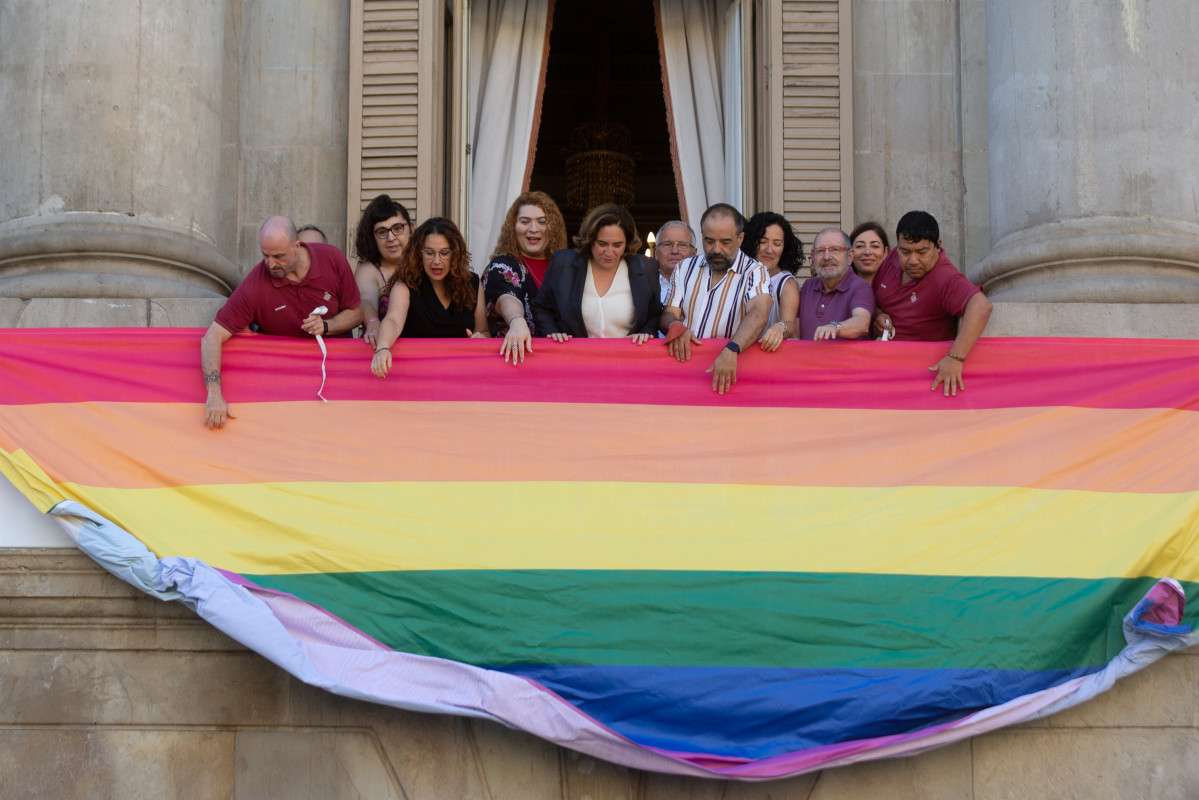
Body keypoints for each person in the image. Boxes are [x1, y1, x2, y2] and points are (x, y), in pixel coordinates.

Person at [200, 216, 362, 429]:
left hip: (337, 383)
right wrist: (214, 394)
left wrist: (326, 326)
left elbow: (356, 312)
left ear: (296, 246)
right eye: (265, 255)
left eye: (278, 256)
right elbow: (212, 336)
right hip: (286, 393)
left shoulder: (332, 258)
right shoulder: (256, 284)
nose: (271, 264)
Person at [872, 211, 993, 396]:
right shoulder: (894, 257)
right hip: (880, 370)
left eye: (922, 252)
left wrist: (955, 358)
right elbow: (874, 297)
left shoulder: (945, 278)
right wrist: (879, 314)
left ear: (938, 246)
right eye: (905, 252)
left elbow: (982, 306)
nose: (912, 260)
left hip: (919, 381)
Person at [659, 203, 771, 394]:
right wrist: (675, 327)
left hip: (730, 375)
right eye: (709, 241)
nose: (716, 249)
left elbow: (759, 313)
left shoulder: (755, 271)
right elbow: (669, 314)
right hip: (683, 374)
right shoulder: (684, 268)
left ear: (740, 238)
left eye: (725, 242)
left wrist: (732, 349)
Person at [371, 218, 487, 379]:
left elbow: (483, 331)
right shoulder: (405, 284)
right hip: (415, 378)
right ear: (418, 253)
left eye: (444, 253)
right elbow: (392, 320)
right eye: (430, 253)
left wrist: (480, 339)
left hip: (461, 378)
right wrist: (383, 347)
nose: (436, 261)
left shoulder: (473, 283)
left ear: (455, 254)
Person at [531, 204, 661, 344]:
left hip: (627, 360)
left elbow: (654, 314)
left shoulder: (647, 267)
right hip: (575, 358)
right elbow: (541, 308)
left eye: (617, 245)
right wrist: (553, 333)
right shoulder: (564, 263)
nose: (609, 252)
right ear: (590, 239)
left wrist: (646, 333)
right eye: (602, 243)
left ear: (627, 243)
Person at [480, 191, 568, 364]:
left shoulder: (566, 268)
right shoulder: (502, 265)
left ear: (553, 227)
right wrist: (517, 320)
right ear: (513, 226)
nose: (533, 229)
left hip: (561, 365)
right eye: (525, 221)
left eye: (542, 222)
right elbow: (506, 297)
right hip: (513, 364)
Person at [352, 195, 413, 348]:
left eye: (397, 228)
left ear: (411, 229)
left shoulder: (425, 265)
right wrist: (373, 322)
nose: (391, 238)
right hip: (377, 354)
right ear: (373, 238)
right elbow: (365, 299)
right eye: (382, 232)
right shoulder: (369, 270)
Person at [741, 212, 803, 352]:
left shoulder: (786, 283)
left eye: (777, 243)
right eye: (763, 241)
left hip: (765, 356)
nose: (769, 250)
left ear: (785, 248)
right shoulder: (740, 274)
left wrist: (780, 327)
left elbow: (789, 324)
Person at [798, 228, 874, 340]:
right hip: (807, 357)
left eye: (835, 250)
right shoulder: (808, 286)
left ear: (850, 256)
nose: (827, 257)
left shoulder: (860, 287)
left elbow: (862, 322)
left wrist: (835, 327)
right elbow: (795, 331)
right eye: (820, 251)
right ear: (813, 257)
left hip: (846, 358)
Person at [654, 220, 696, 303]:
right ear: (656, 253)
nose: (674, 251)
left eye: (682, 245)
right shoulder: (643, 286)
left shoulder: (706, 286)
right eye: (667, 244)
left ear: (694, 254)